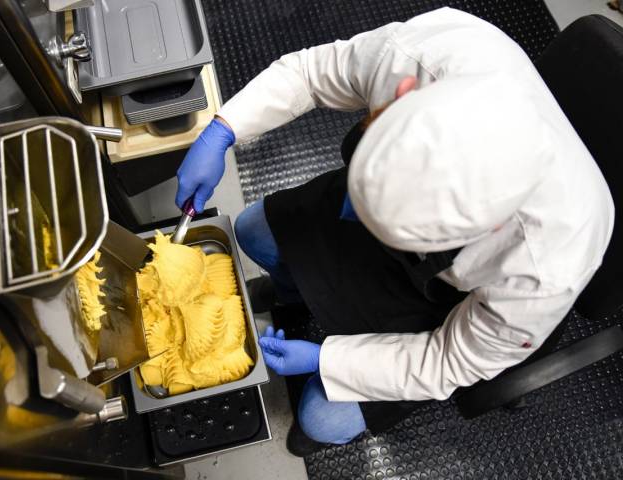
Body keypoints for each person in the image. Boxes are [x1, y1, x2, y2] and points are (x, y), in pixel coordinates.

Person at [175, 7, 614, 456]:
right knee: (253, 230)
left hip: (449, 300)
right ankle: (293, 292)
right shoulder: (430, 52)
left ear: (492, 226)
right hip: (413, 224)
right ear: (403, 94)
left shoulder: (546, 268)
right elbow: (310, 73)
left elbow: (450, 359)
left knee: (320, 418)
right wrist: (225, 129)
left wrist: (328, 360)